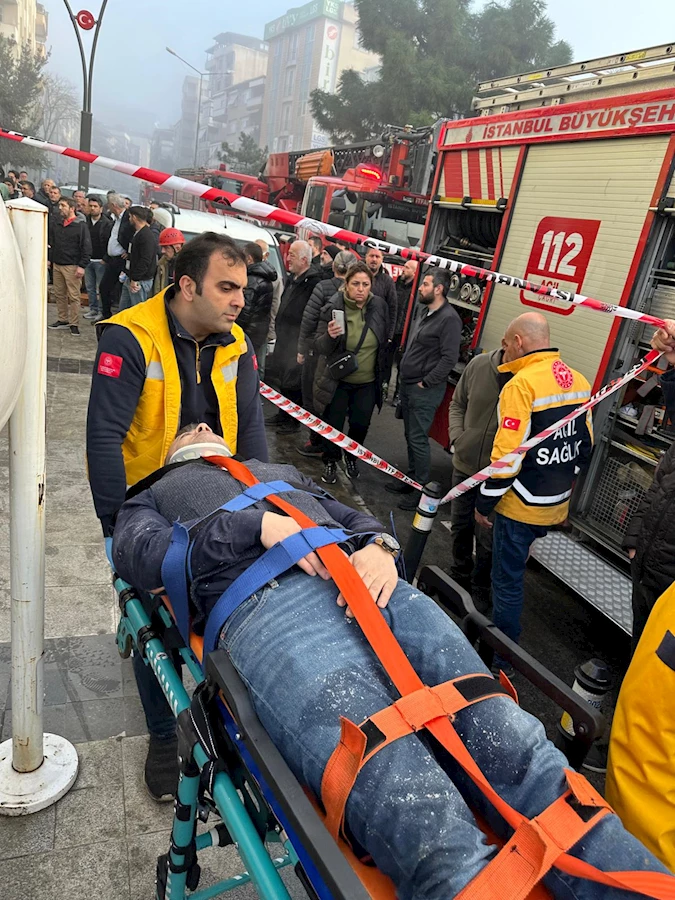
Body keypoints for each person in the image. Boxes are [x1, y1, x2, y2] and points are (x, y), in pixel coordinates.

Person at [111, 423, 674, 897]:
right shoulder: (154, 493)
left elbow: (354, 517)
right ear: (173, 453)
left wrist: (381, 548)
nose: (202, 425)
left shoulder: (273, 470)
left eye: (207, 425)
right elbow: (139, 554)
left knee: (512, 741)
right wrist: (254, 527)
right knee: (407, 791)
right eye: (188, 429)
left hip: (376, 589)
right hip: (269, 606)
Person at [86, 234, 267, 796]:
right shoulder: (131, 338)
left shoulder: (236, 343)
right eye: (227, 287)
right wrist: (117, 529)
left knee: (230, 614)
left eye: (242, 288)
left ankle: (227, 728)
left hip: (218, 495)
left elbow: (252, 429)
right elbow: (103, 437)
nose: (240, 300)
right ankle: (164, 735)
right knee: (156, 626)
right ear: (187, 286)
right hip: (151, 505)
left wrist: (265, 497)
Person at [474, 313, 593, 674]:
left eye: (506, 344)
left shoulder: (521, 385)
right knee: (515, 567)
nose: (504, 351)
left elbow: (507, 458)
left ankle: (501, 661)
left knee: (507, 583)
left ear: (519, 342)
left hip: (520, 505)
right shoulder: (579, 380)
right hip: (554, 502)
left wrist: (484, 503)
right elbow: (584, 445)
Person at [386, 270, 462, 511]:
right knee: (411, 435)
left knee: (418, 438)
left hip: (424, 390)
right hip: (410, 385)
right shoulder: (425, 311)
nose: (420, 287)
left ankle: (421, 489)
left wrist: (427, 382)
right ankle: (411, 479)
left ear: (439, 289)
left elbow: (449, 358)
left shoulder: (449, 319)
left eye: (426, 284)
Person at [446, 342, 510, 612]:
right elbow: (457, 403)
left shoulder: (528, 379)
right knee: (460, 524)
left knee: (487, 536)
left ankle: (481, 586)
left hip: (497, 475)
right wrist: (457, 438)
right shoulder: (479, 365)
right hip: (465, 465)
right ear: (509, 343)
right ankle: (459, 573)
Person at [622, 325, 675, 648]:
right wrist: (636, 542)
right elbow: (660, 485)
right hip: (649, 567)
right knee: (641, 651)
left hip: (667, 580)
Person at [313, 262, 388, 484]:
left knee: (360, 424)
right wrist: (329, 336)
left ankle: (351, 457)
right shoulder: (333, 307)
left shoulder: (379, 306)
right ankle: (330, 460)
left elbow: (385, 340)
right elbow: (318, 346)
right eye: (355, 284)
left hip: (367, 381)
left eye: (365, 284)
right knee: (333, 424)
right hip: (338, 380)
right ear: (346, 284)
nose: (360, 289)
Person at [296, 249, 354, 458]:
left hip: (318, 351)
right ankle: (329, 444)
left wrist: (302, 349)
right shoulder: (357, 294)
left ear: (334, 266)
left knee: (313, 397)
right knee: (334, 403)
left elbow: (309, 319)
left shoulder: (322, 287)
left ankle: (315, 440)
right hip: (343, 357)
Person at [266, 240, 321, 435]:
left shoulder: (313, 282)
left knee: (293, 382)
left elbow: (311, 314)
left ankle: (292, 420)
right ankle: (282, 414)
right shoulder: (293, 278)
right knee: (282, 378)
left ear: (304, 260)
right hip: (285, 336)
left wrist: (304, 343)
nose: (288, 258)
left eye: (292, 255)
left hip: (297, 339)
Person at [47, 197, 92, 335]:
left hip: (72, 265)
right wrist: (50, 259)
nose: (60, 208)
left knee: (74, 296)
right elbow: (52, 243)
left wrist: (82, 265)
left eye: (63, 205)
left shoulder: (80, 226)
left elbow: (86, 246)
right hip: (57, 264)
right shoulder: (58, 224)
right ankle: (62, 319)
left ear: (72, 208)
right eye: (59, 205)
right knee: (59, 294)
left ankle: (74, 323)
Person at [384, 259, 418, 400]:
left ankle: (398, 394)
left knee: (402, 365)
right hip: (391, 329)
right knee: (386, 361)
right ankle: (384, 388)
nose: (403, 269)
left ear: (415, 272)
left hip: (405, 333)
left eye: (407, 267)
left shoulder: (416, 291)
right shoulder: (395, 285)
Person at [238, 241, 277, 359]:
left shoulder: (252, 280)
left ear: (249, 259)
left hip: (247, 334)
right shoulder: (266, 278)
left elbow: (245, 311)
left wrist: (235, 330)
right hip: (258, 333)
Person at [99, 193, 133, 319]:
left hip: (122, 260)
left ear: (113, 205)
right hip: (112, 259)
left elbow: (134, 236)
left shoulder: (128, 218)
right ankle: (106, 315)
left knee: (119, 290)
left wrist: (129, 252)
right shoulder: (116, 219)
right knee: (104, 287)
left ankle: (117, 317)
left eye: (109, 205)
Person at [119, 205, 158, 310]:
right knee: (123, 310)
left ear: (134, 217)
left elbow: (145, 260)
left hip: (140, 280)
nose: (129, 219)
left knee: (137, 310)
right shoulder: (137, 233)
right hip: (130, 277)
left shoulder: (146, 236)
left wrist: (135, 279)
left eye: (130, 217)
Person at [256, 238, 283, 380]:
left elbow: (275, 306)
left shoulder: (274, 278)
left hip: (262, 328)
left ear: (267, 255)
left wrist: (271, 331)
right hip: (244, 327)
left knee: (259, 366)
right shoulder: (242, 270)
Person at [83, 195, 113, 323]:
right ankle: (93, 309)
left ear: (101, 208)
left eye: (95, 206)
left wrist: (105, 258)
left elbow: (109, 242)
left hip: (101, 260)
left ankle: (101, 311)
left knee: (100, 288)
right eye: (90, 206)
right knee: (89, 287)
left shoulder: (107, 223)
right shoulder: (85, 221)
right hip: (88, 259)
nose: (92, 208)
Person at [365, 247, 397, 341]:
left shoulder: (388, 281)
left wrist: (390, 335)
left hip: (376, 332)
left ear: (382, 259)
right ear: (366, 257)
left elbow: (393, 309)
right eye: (371, 256)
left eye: (377, 256)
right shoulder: (356, 275)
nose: (374, 259)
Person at [153, 227, 185, 296]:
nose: (162, 251)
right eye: (162, 247)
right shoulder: (162, 264)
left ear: (177, 248)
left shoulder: (188, 267)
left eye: (166, 247)